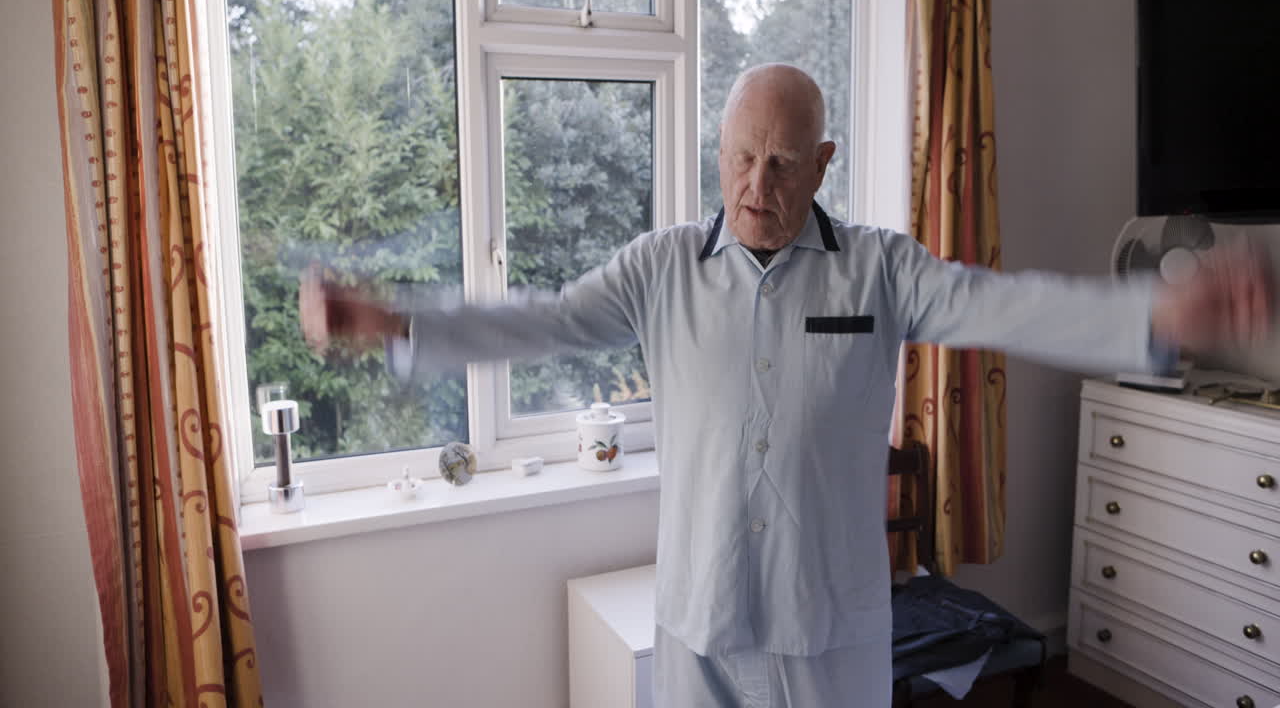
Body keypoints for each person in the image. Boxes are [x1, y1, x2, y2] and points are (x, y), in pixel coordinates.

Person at [300, 64, 1272, 707]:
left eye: (778, 162)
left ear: (821, 164)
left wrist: (1153, 319)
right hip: (699, 624)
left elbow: (1000, 308)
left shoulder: (878, 270)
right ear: (717, 152)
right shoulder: (659, 268)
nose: (754, 184)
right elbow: (542, 318)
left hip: (826, 627)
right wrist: (401, 324)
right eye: (737, 157)